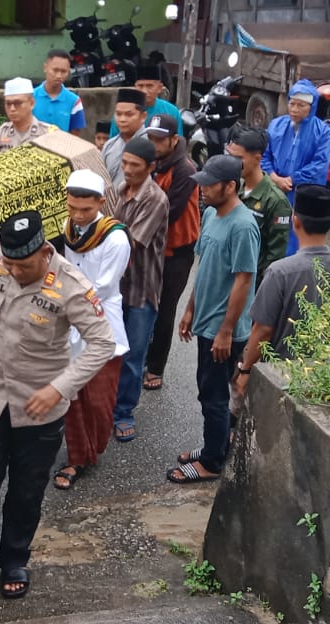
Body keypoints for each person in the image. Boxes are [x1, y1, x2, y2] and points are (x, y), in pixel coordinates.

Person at [0, 211, 114, 602]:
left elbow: (102, 343)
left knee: (27, 490)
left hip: (39, 410)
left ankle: (14, 558)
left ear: (45, 252)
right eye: (9, 264)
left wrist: (60, 388)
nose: (13, 272)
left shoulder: (72, 287)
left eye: (24, 265)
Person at [169, 155, 257, 484]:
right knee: (208, 392)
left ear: (230, 186)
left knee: (215, 396)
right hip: (206, 323)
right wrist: (190, 309)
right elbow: (204, 267)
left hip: (223, 331)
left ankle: (212, 462)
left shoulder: (243, 225)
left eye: (209, 184)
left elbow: (244, 280)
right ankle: (213, 446)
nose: (202, 189)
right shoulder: (209, 214)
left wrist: (226, 331)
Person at [233, 185, 330, 396]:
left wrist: (245, 369)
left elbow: (262, 330)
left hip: (282, 374)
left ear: (295, 221)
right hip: (329, 375)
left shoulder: (280, 272)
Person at [53, 170, 129, 490]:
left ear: (100, 203)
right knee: (73, 395)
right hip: (72, 319)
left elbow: (105, 286)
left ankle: (93, 446)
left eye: (86, 209)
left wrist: (66, 301)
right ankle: (77, 457)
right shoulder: (67, 228)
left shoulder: (115, 238)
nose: (78, 215)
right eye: (72, 207)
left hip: (102, 321)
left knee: (98, 399)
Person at [106, 136, 169, 443]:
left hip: (142, 289)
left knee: (133, 355)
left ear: (151, 167)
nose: (127, 170)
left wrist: (97, 234)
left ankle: (124, 412)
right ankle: (107, 406)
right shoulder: (119, 190)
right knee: (110, 351)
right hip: (116, 287)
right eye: (125, 163)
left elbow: (129, 241)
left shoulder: (155, 199)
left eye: (134, 165)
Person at [142, 113, 200, 393]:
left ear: (173, 140)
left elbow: (169, 212)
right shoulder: (156, 163)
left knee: (165, 310)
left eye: (158, 139)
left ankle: (156, 368)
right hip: (155, 249)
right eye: (150, 138)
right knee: (146, 306)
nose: (153, 144)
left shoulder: (185, 170)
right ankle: (143, 356)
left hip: (177, 253)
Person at [263, 80, 330, 255]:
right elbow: (264, 155)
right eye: (292, 103)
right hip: (275, 190)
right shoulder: (276, 125)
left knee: (297, 236)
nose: (294, 109)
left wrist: (293, 179)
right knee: (271, 231)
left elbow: (319, 165)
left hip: (301, 194)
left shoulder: (322, 131)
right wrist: (274, 177)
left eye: (300, 105)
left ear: (311, 106)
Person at [227, 127, 292, 286]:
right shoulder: (234, 187)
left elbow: (275, 256)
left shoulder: (276, 201)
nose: (232, 163)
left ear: (257, 158)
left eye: (238, 158)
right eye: (230, 156)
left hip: (252, 284)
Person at [108, 63, 181, 137]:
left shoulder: (171, 111)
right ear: (135, 87)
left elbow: (177, 141)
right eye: (140, 86)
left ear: (159, 88)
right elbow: (114, 141)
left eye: (149, 86)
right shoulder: (124, 112)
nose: (144, 91)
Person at [0, 78, 53, 157]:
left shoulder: (48, 133)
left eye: (18, 103)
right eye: (8, 103)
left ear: (31, 103)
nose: (12, 108)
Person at [33, 50, 87, 136]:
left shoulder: (74, 102)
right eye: (55, 70)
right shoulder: (30, 98)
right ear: (45, 68)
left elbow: (74, 137)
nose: (59, 76)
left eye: (63, 71)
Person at [101, 88, 148, 182]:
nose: (122, 119)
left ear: (143, 116)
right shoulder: (109, 145)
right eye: (118, 114)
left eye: (129, 115)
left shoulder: (149, 143)